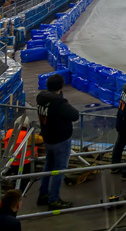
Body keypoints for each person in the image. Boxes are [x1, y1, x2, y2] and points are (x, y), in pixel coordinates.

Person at [37, 73, 79, 209]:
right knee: (59, 170)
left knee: (48, 167)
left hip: (48, 138)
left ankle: (43, 194)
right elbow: (74, 115)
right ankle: (54, 199)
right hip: (60, 140)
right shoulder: (59, 103)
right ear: (60, 87)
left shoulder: (41, 98)